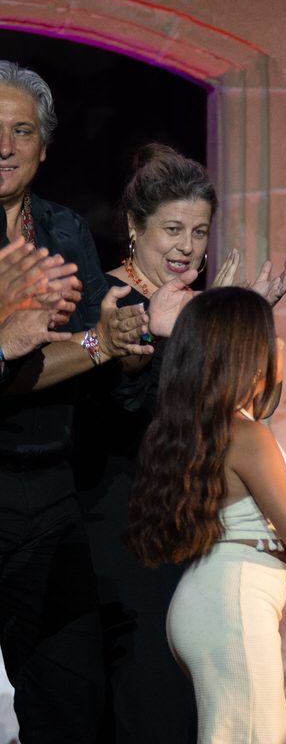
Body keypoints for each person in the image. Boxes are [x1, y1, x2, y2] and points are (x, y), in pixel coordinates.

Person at [71, 143, 286, 743]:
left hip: (178, 526)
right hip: (112, 524)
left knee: (178, 710)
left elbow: (232, 413)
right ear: (134, 227)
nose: (187, 246)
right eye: (172, 228)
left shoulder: (197, 310)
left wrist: (244, 322)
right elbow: (113, 415)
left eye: (199, 231)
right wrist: (162, 334)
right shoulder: (105, 301)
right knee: (128, 704)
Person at [124, 286, 286, 744]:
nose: (277, 347)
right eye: (269, 339)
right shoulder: (245, 436)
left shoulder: (217, 426)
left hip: (214, 602)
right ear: (249, 352)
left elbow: (263, 542)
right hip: (231, 610)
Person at [0, 60, 161, 743]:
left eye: (21, 131)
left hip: (51, 500)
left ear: (44, 144)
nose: (4, 147)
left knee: (71, 707)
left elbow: (108, 375)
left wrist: (124, 347)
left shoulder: (64, 233)